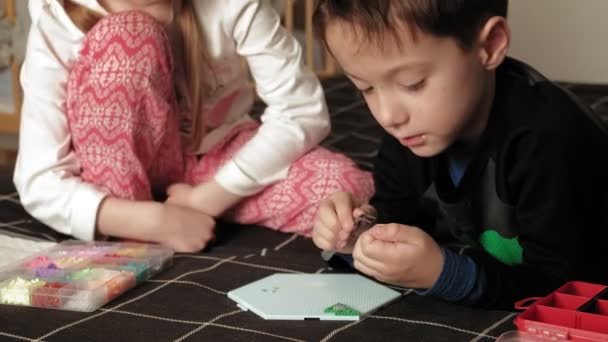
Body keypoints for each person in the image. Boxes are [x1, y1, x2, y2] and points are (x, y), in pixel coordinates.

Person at [311, 0, 608, 309]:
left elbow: (566, 286)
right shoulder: (410, 132)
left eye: (412, 84)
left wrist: (446, 275)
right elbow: (397, 216)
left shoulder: (546, 138)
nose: (388, 115)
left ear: (490, 46)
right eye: (365, 88)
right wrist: (357, 234)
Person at [14, 0, 373, 253]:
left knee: (345, 196)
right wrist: (155, 222)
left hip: (213, 160)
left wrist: (208, 199)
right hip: (116, 181)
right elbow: (38, 180)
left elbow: (302, 111)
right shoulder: (57, 18)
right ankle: (132, 233)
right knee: (129, 34)